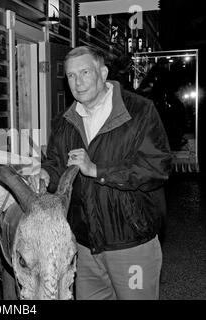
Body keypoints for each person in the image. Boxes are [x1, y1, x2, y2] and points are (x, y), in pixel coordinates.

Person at [30, 46, 172, 300]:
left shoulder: (139, 111)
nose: (78, 82)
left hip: (131, 244)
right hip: (84, 246)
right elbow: (56, 163)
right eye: (71, 76)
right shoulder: (64, 122)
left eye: (85, 72)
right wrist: (46, 174)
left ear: (103, 73)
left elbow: (156, 167)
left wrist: (97, 170)